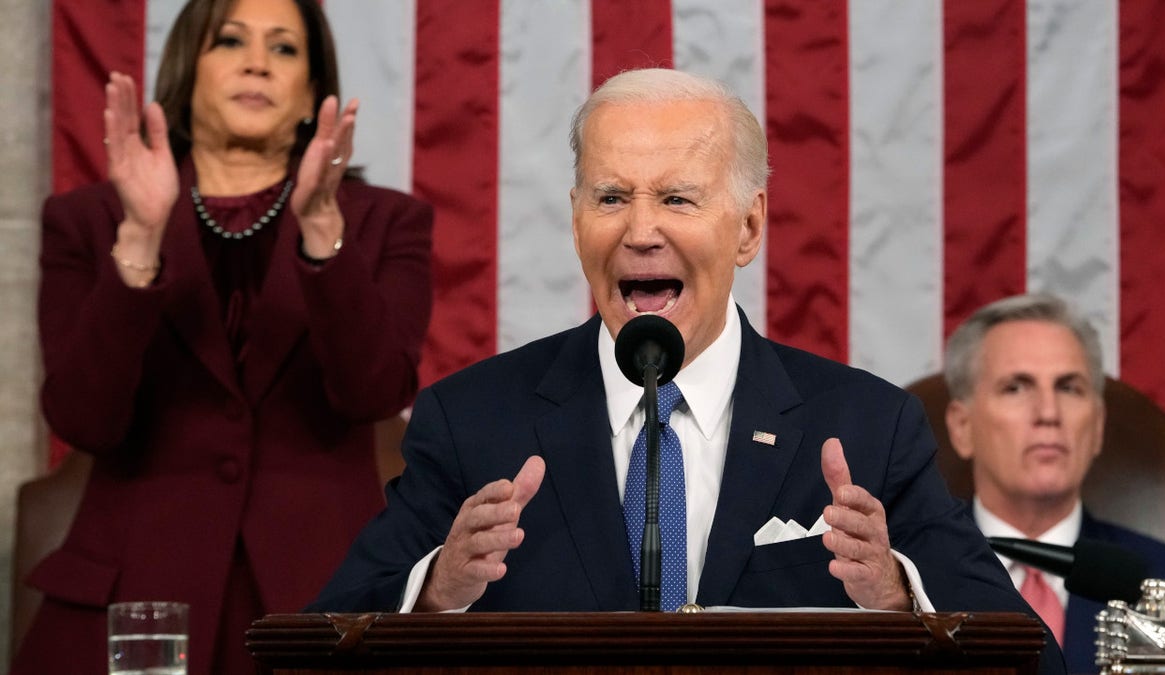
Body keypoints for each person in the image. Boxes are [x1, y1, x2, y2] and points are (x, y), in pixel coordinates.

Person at [309, 68, 1063, 674]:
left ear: (749, 227)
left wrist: (899, 600)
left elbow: (1031, 659)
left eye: (676, 197)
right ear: (577, 224)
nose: (641, 231)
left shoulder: (868, 429)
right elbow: (314, 648)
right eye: (611, 198)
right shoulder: (472, 422)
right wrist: (437, 595)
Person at [14, 0, 432, 673]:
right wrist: (140, 242)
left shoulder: (387, 221)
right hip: (135, 601)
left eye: (285, 48)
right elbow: (83, 419)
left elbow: (374, 392)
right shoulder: (88, 220)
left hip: (320, 604)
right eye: (230, 40)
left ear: (311, 90)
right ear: (189, 69)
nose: (257, 61)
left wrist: (323, 232)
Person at [943, 293, 1165, 674]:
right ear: (962, 427)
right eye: (1016, 387)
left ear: (1096, 427)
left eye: (1069, 387)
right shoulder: (903, 581)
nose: (1048, 413)